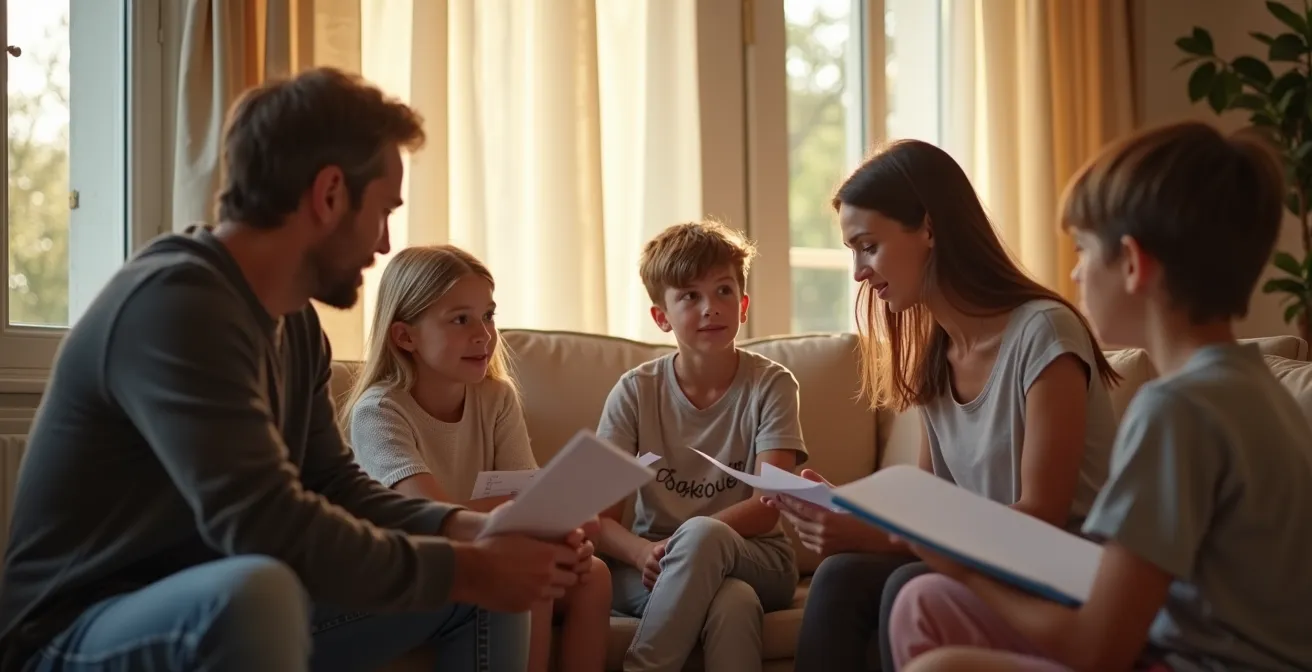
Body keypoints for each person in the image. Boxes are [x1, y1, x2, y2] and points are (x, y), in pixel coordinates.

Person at [0, 67, 597, 672]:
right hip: (76, 631)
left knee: (487, 591)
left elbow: (334, 485)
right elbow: (263, 524)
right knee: (256, 591)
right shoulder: (177, 302)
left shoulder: (295, 323)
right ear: (330, 194)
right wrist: (470, 564)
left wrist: (470, 532)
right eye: (384, 210)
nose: (385, 244)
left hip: (224, 599)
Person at [887, 122, 1312, 671]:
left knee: (935, 665)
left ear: (1133, 264)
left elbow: (1098, 650)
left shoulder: (1176, 410)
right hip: (1177, 640)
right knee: (925, 602)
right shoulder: (1260, 388)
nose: (1075, 272)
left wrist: (962, 564)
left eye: (1084, 250)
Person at [775, 139, 1121, 671]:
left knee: (908, 585)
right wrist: (848, 510)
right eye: (852, 252)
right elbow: (927, 504)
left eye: (868, 245)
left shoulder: (1044, 332)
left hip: (1064, 574)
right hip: (984, 564)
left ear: (930, 230)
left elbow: (1042, 519)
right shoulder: (938, 353)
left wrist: (877, 530)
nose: (859, 272)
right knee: (841, 573)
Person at [346, 244, 612, 672]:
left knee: (593, 575)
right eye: (460, 319)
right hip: (420, 566)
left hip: (487, 546)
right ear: (405, 336)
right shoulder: (379, 412)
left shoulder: (496, 398)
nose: (483, 335)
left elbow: (529, 497)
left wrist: (563, 531)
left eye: (488, 315)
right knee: (526, 576)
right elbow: (428, 516)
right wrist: (527, 521)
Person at [594, 221, 805, 672]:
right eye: (690, 296)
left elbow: (768, 505)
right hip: (649, 562)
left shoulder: (772, 385)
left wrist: (684, 545)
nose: (711, 307)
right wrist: (641, 552)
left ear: (743, 304)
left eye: (724, 291)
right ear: (661, 316)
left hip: (759, 558)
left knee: (706, 538)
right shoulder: (634, 393)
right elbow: (601, 521)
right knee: (732, 601)